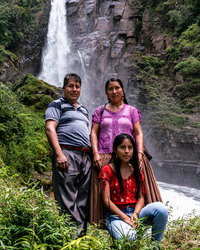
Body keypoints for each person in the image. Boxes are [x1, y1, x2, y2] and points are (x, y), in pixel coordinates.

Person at [89, 78, 162, 227]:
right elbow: (94, 133)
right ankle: (111, 228)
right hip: (104, 158)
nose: (114, 91)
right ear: (106, 92)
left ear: (122, 90)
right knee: (104, 196)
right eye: (110, 89)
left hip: (130, 159)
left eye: (117, 88)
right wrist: (95, 153)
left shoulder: (131, 111)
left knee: (137, 193)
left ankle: (137, 220)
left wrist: (140, 153)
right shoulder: (100, 110)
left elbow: (138, 133)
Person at [99, 133, 168, 241]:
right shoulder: (107, 170)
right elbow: (106, 200)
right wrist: (125, 218)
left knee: (161, 209)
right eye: (122, 147)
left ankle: (155, 245)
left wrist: (135, 214)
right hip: (116, 217)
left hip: (135, 215)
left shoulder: (136, 171)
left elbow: (141, 198)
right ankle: (131, 234)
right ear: (115, 150)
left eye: (130, 148)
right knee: (130, 237)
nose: (127, 151)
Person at [45, 73, 91, 235]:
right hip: (67, 153)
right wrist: (59, 154)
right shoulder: (56, 105)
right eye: (71, 86)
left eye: (77, 86)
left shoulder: (84, 110)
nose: (74, 89)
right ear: (64, 88)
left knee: (83, 199)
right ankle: (70, 239)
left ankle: (81, 238)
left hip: (86, 157)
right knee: (66, 199)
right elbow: (50, 129)